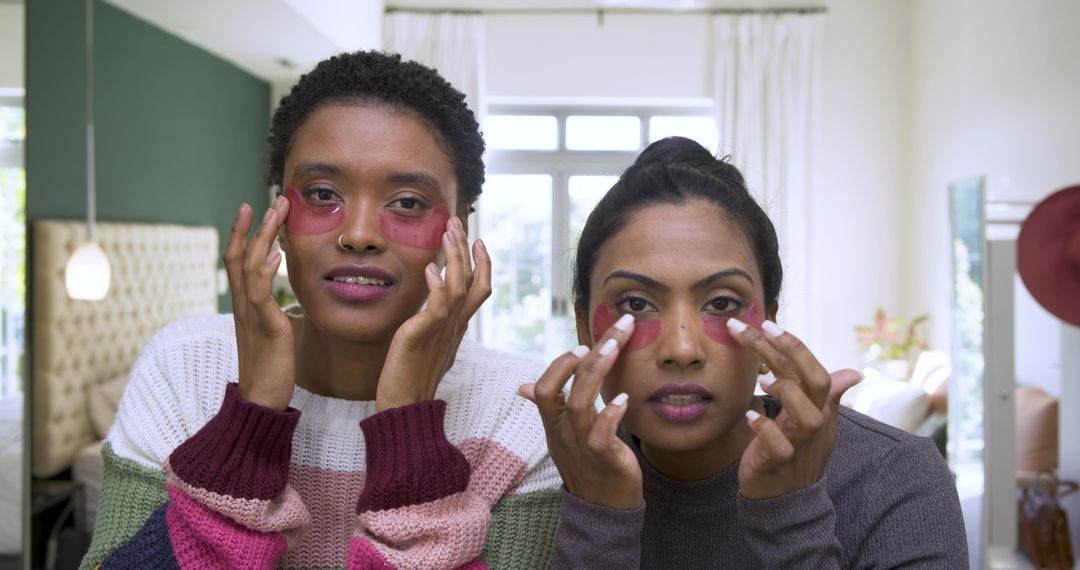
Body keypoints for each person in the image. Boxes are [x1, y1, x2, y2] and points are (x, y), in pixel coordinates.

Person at [82, 51, 561, 570]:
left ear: (460, 226)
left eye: (406, 202)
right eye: (322, 193)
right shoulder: (182, 372)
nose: (358, 235)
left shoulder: (522, 415)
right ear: (280, 214)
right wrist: (249, 421)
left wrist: (409, 429)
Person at [520, 136, 968, 568]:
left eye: (722, 303)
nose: (681, 349)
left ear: (768, 324)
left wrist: (793, 516)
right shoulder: (544, 481)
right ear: (585, 327)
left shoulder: (896, 478)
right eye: (636, 304)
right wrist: (598, 520)